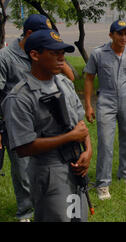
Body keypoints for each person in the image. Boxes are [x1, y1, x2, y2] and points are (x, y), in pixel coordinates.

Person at [1, 29, 92, 222]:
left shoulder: (64, 84)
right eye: (54, 53)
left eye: (63, 54)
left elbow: (80, 125)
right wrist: (69, 138)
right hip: (49, 171)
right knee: (58, 217)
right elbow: (23, 147)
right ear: (34, 55)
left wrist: (88, 151)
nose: (61, 59)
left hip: (75, 164)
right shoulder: (20, 97)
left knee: (78, 218)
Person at [84, 20, 126, 200]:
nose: (124, 37)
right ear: (111, 35)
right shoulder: (99, 54)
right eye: (120, 34)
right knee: (106, 142)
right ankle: (102, 184)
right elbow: (88, 78)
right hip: (106, 100)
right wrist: (88, 104)